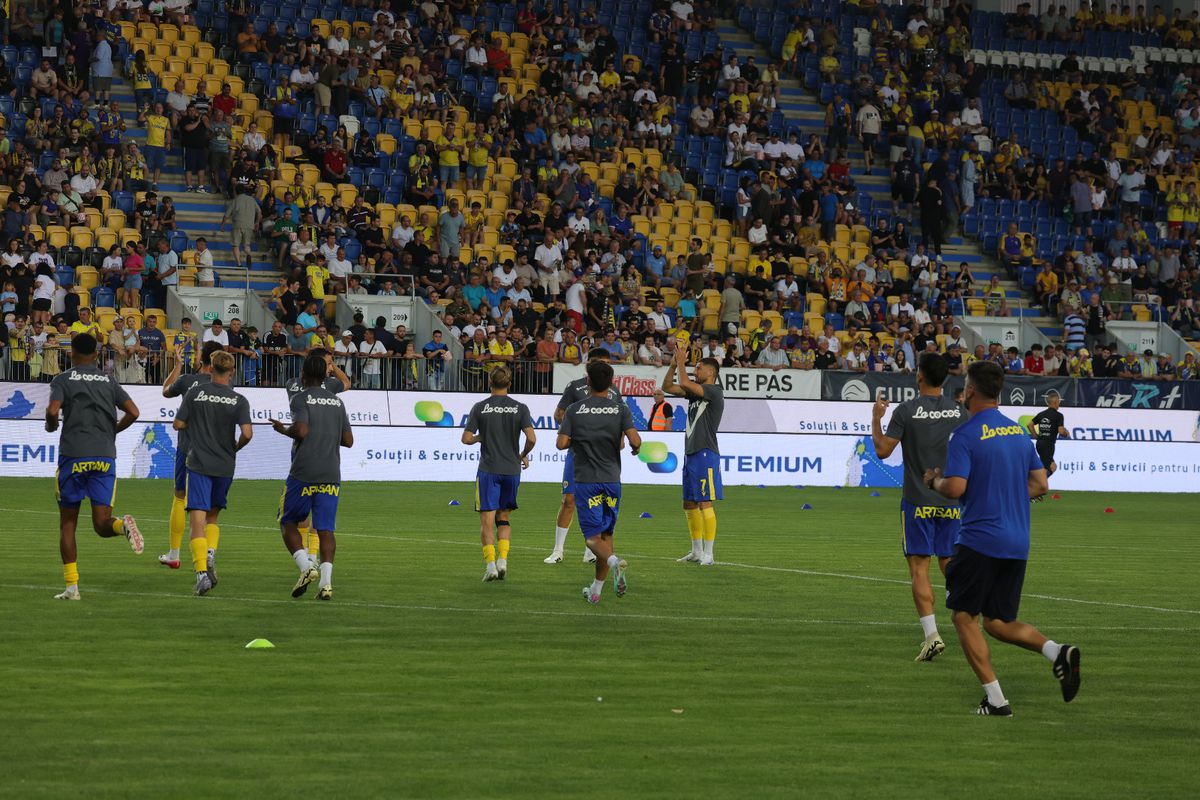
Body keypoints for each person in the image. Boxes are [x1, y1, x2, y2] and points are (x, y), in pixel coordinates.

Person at [924, 361, 1081, 716]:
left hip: (981, 539)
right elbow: (1041, 485)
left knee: (964, 618)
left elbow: (956, 487)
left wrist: (933, 481)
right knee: (998, 622)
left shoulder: (965, 435)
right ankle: (1057, 652)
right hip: (1017, 541)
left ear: (971, 392)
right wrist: (1006, 494)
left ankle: (996, 701)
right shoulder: (1016, 433)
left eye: (964, 386)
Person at [870, 352, 965, 661]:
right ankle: (964, 615)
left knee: (919, 568)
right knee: (949, 562)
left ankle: (932, 635)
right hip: (951, 499)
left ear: (920, 375)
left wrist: (876, 418)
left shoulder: (906, 410)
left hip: (917, 501)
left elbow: (883, 451)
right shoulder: (960, 412)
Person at [45, 334, 145, 600]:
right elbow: (134, 412)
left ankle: (72, 588)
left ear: (73, 353)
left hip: (73, 455)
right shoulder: (109, 380)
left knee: (68, 523)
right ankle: (122, 525)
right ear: (97, 353)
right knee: (102, 523)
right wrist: (112, 431)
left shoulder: (63, 379)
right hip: (104, 456)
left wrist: (50, 425)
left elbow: (53, 410)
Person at [271, 352, 354, 601]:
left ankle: (307, 567)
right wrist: (328, 433)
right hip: (331, 472)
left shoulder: (300, 398)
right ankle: (326, 584)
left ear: (304, 374)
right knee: (326, 529)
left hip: (304, 471)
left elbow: (302, 430)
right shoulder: (337, 402)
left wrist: (284, 430)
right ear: (325, 374)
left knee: (287, 522)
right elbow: (348, 441)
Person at [556, 360, 639, 603]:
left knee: (592, 537)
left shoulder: (575, 410)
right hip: (612, 480)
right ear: (612, 383)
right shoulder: (620, 409)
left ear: (588, 381)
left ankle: (614, 562)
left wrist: (580, 438)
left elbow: (561, 444)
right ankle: (596, 590)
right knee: (606, 535)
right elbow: (635, 441)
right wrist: (632, 448)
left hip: (587, 480)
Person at [172, 351, 253, 596]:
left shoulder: (196, 393)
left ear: (210, 368)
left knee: (197, 519)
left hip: (198, 462)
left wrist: (194, 425)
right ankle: (209, 555)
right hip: (225, 465)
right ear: (231, 372)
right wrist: (234, 447)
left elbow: (178, 423)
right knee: (213, 517)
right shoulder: (239, 399)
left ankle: (200, 574)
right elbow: (247, 434)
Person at [544, 350, 621, 565]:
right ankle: (558, 550)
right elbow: (559, 414)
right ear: (589, 364)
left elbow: (622, 423)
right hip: (578, 456)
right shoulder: (575, 387)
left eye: (607, 363)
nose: (604, 368)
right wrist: (574, 432)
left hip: (604, 459)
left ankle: (592, 549)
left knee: (600, 503)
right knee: (569, 500)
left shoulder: (614, 392)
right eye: (600, 363)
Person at [461, 366, 537, 582]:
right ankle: (503, 560)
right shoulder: (520, 407)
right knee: (503, 518)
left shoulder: (480, 407)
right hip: (511, 470)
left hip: (488, 471)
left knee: (486, 522)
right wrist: (523, 454)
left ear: (489, 383)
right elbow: (532, 438)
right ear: (509, 383)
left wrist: (479, 438)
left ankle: (491, 566)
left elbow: (466, 439)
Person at [157, 340, 223, 569]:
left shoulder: (186, 380)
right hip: (215, 452)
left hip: (188, 449)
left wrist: (176, 365)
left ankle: (175, 553)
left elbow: (165, 391)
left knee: (180, 496)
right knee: (211, 508)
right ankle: (210, 551)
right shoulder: (225, 385)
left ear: (202, 359)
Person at [284, 348, 350, 557]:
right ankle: (312, 556)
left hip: (301, 450)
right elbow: (347, 383)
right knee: (319, 509)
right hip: (325, 450)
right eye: (328, 364)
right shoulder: (329, 386)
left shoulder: (292, 384)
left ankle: (304, 555)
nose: (331, 368)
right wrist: (335, 369)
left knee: (299, 509)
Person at [662, 345, 724, 565]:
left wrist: (680, 361)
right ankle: (696, 551)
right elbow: (667, 386)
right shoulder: (695, 392)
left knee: (705, 502)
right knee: (689, 503)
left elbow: (686, 383)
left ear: (710, 373)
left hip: (705, 452)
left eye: (698, 368)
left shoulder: (714, 391)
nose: (695, 371)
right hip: (691, 453)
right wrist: (672, 365)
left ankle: (709, 554)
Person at [1028, 389, 1069, 476]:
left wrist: (1036, 436)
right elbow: (1061, 431)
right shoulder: (1059, 415)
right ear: (1055, 403)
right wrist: (1066, 433)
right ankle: (1035, 485)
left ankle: (1036, 484)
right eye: (1058, 402)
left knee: (1046, 467)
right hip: (1048, 445)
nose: (1059, 405)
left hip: (1039, 444)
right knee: (1051, 467)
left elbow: (1029, 425)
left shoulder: (1041, 414)